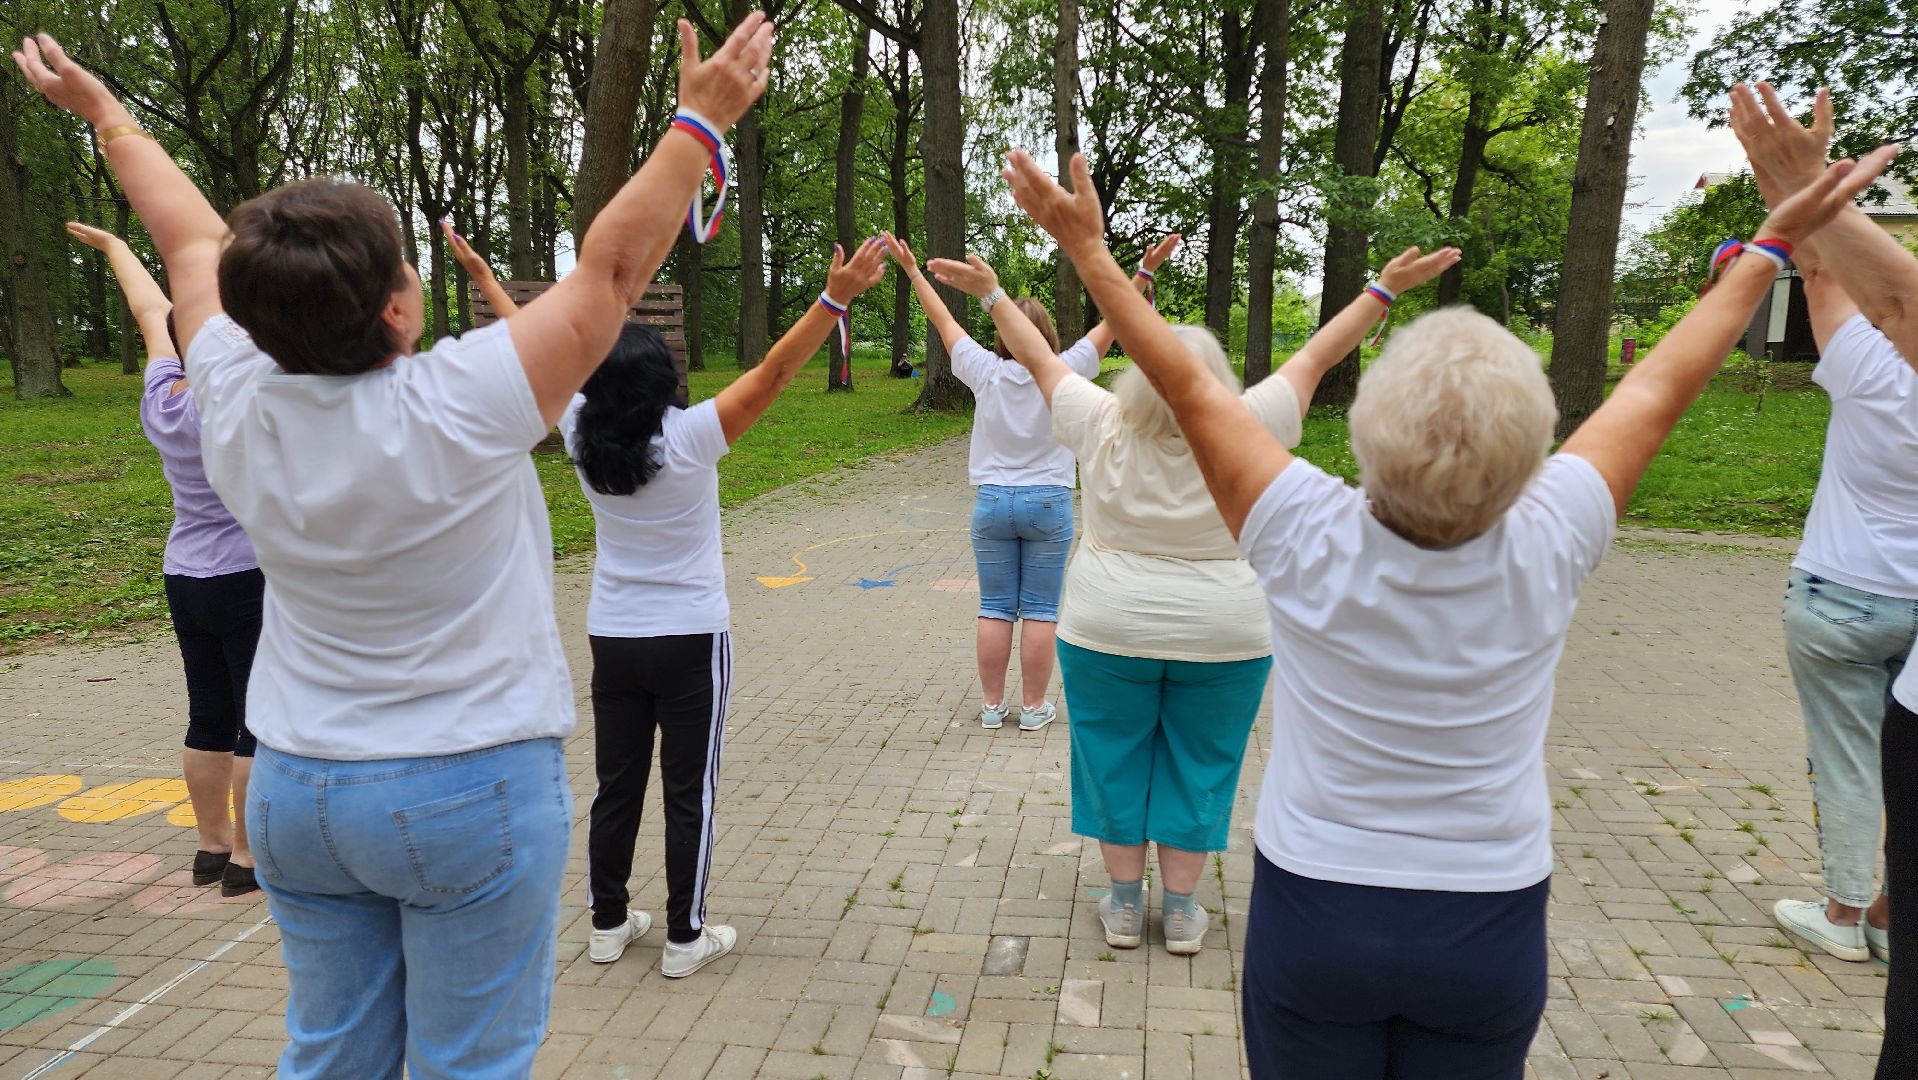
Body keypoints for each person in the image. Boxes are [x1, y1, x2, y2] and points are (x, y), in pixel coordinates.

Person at [1002, 139, 1889, 1078]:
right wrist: (1772, 246)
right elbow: (1659, 387)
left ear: (1358, 435)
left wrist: (1095, 256)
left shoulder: (1300, 527)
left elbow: (1177, 385)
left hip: (1318, 912)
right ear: (1540, 454)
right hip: (1487, 922)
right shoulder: (1556, 531)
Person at [12, 17, 772, 1077]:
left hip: (298, 793)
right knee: (468, 1061)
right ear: (401, 309)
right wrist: (703, 116)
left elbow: (186, 241)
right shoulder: (462, 400)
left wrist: (108, 115)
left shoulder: (228, 392)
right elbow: (608, 275)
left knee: (330, 1056)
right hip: (466, 788)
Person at [921, 244, 1458, 956]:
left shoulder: (1100, 420)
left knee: (1111, 755)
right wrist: (1382, 290)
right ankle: (1179, 912)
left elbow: (1039, 358)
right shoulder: (1251, 419)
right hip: (1227, 634)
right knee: (1203, 759)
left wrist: (992, 296)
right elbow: (1319, 355)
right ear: (1221, 379)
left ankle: (1120, 905)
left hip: (1108, 626)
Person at [454, 221, 889, 974]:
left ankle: (606, 923)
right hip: (690, 638)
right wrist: (832, 299)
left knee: (615, 785)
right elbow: (777, 370)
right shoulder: (691, 438)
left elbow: (534, 348)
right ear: (665, 384)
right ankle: (685, 938)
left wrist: (492, 284)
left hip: (613, 638)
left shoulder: (582, 432)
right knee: (691, 789)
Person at [1728, 82, 1918, 1080]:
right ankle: (1888, 911)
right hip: (1917, 614)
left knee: (1847, 756)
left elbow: (1824, 278)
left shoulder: (1867, 369)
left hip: (1838, 595)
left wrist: (1802, 190)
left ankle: (1844, 909)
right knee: (1903, 769)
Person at [884, 230, 1177, 732]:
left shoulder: (983, 369)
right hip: (1049, 504)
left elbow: (944, 320)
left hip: (993, 502)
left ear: (1002, 334)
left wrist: (912, 271)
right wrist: (1144, 273)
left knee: (995, 607)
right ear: (1049, 335)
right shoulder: (1066, 370)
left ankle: (993, 707)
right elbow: (1113, 322)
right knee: (1041, 610)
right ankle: (1035, 708)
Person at [65, 220, 262, 898]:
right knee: (253, 720)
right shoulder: (239, 402)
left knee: (206, 713)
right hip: (249, 577)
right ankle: (247, 858)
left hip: (185, 576)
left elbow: (155, 312)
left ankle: (209, 848)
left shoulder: (164, 395)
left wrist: (119, 249)